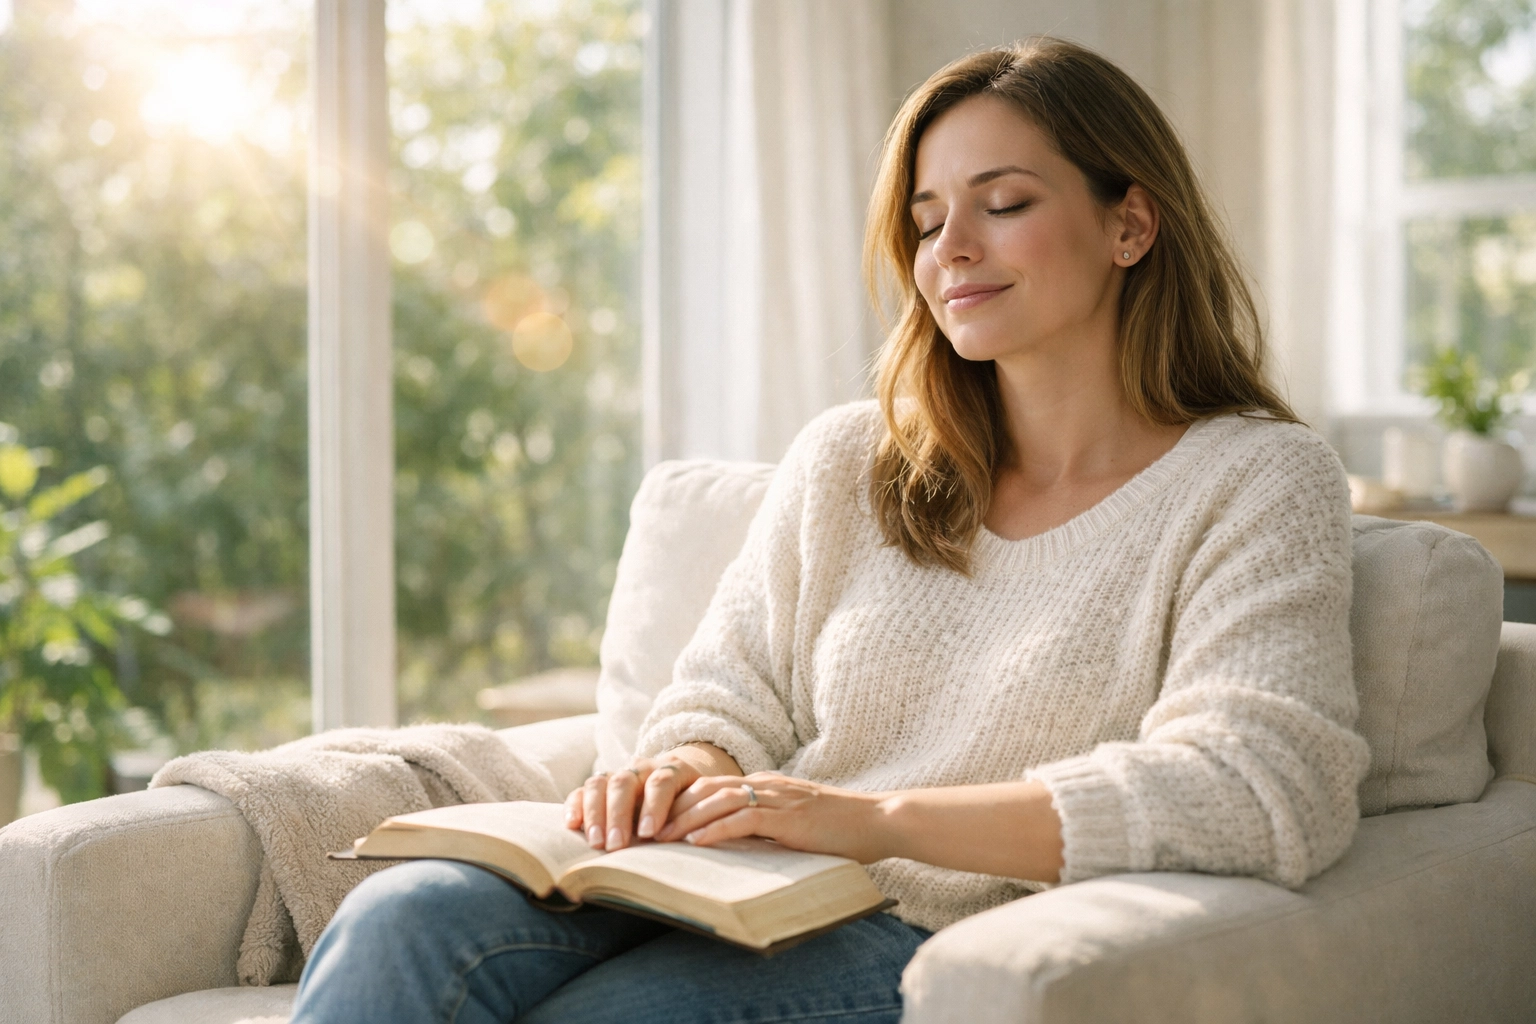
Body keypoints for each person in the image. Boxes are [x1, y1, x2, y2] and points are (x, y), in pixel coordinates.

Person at [290, 37, 1370, 1024]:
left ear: (1130, 223)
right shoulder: (853, 458)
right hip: (730, 879)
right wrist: (683, 766)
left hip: (928, 928)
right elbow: (728, 692)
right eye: (927, 217)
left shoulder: (1256, 478)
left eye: (1001, 203)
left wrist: (879, 818)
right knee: (404, 916)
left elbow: (1263, 785)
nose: (951, 249)